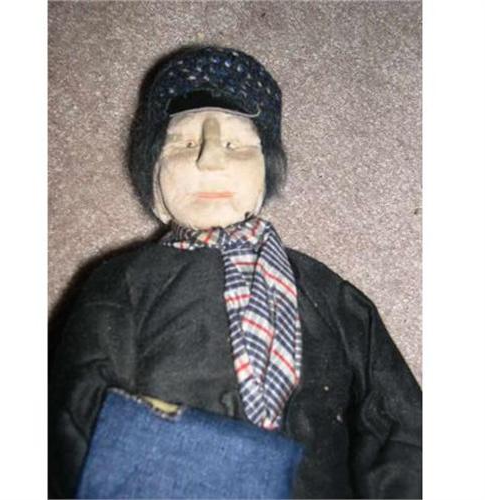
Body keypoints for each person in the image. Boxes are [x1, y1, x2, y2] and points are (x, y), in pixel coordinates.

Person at [49, 45, 422, 499]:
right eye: (184, 144)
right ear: (154, 184)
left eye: (236, 145)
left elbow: (398, 421)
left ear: (265, 176)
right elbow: (74, 407)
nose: (211, 159)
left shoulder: (328, 293)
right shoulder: (125, 279)